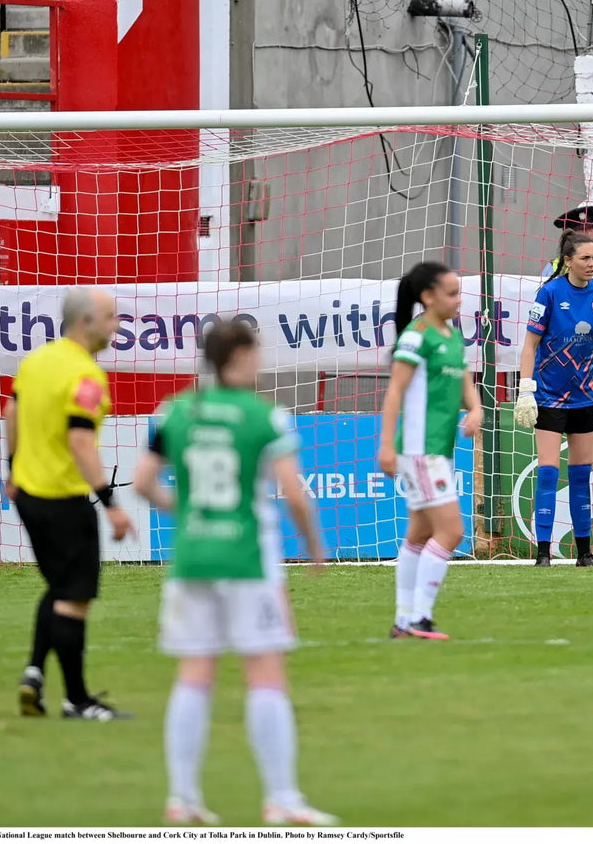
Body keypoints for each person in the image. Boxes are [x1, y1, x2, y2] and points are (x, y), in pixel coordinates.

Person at [134, 319, 336, 826]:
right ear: (241, 356)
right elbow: (295, 495)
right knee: (265, 672)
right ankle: (282, 798)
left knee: (194, 673)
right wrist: (314, 547)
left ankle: (182, 797)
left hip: (192, 558)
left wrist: (183, 511)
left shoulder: (174, 411)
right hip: (247, 560)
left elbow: (142, 483)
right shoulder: (265, 417)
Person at [6, 287, 135, 721]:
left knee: (60, 587)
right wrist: (110, 502)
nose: (117, 325)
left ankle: (34, 672)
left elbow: (11, 412)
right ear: (85, 322)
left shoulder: (36, 361)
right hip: (63, 500)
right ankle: (77, 701)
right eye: (111, 317)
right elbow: (81, 441)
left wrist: (12, 467)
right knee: (74, 597)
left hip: (28, 495)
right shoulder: (86, 375)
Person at [377, 260, 483, 641]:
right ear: (428, 297)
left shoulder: (451, 334)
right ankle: (420, 617)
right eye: (451, 294)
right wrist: (386, 445)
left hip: (438, 449)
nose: (458, 300)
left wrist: (475, 408)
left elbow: (464, 378)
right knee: (451, 531)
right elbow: (395, 391)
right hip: (420, 451)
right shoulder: (416, 336)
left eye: (459, 293)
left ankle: (404, 620)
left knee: (420, 533)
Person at [515, 232, 593, 567]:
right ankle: (543, 553)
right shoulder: (550, 293)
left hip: (584, 396)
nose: (592, 264)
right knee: (548, 473)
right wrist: (526, 389)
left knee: (581, 475)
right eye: (585, 258)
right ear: (568, 261)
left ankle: (584, 553)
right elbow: (530, 345)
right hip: (549, 396)